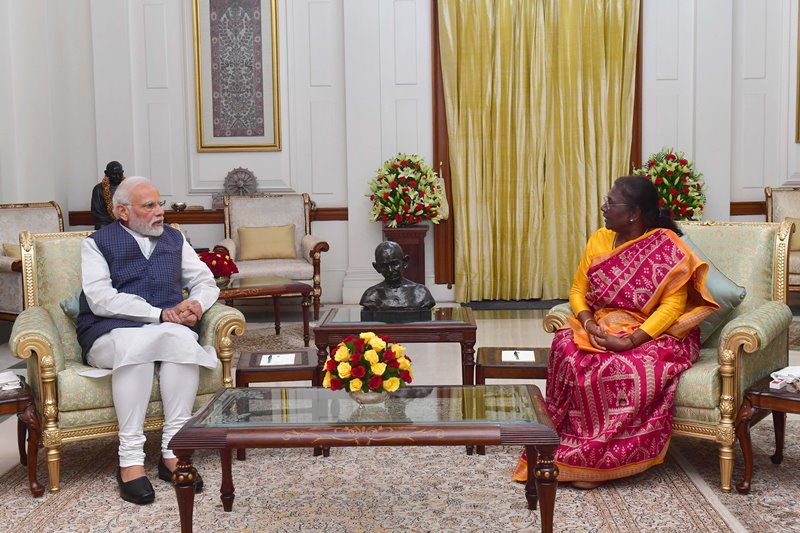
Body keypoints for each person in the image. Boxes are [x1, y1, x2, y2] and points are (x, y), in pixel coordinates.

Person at [512, 175, 718, 489]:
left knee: (614, 366)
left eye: (611, 202)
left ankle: (601, 460)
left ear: (634, 213)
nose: (603, 207)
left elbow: (672, 306)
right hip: (603, 323)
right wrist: (589, 323)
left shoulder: (665, 245)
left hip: (655, 332)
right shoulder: (598, 240)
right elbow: (578, 290)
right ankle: (568, 439)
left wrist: (630, 341)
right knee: (565, 345)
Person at [76, 176, 219, 505]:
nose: (160, 212)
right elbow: (100, 299)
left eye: (160, 204)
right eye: (149, 206)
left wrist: (196, 303)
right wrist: (160, 314)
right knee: (135, 346)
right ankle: (129, 462)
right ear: (123, 212)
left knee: (183, 340)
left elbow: (204, 281)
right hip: (107, 331)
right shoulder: (97, 243)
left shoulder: (174, 238)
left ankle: (172, 452)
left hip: (164, 330)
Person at [360, 241, 435, 310]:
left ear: (405, 262)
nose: (390, 270)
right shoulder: (371, 296)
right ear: (377, 268)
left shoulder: (421, 293)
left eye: (395, 264)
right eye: (384, 266)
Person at [90, 161, 126, 229]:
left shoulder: (128, 187)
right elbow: (97, 213)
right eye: (114, 174)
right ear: (106, 173)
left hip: (125, 223)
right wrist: (115, 222)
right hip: (105, 224)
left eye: (119, 174)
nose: (117, 177)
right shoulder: (98, 189)